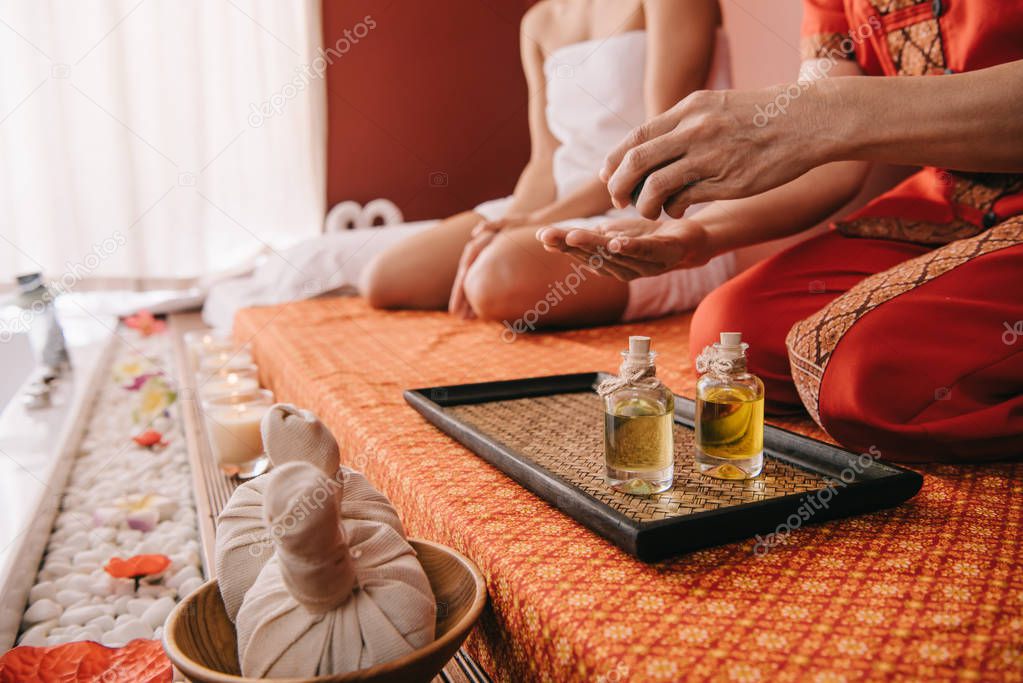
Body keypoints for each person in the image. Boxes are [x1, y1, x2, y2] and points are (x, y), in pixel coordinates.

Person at [538, 0, 1023, 462]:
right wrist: (699, 235)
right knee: (730, 334)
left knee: (859, 371)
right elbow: (829, 159)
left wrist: (817, 114)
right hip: (944, 205)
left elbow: (821, 119)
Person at [363, 0, 737, 328]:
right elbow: (545, 160)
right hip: (559, 207)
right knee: (385, 278)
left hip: (652, 214)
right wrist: (512, 222)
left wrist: (537, 223)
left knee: (495, 275)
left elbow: (658, 150)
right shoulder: (539, 22)